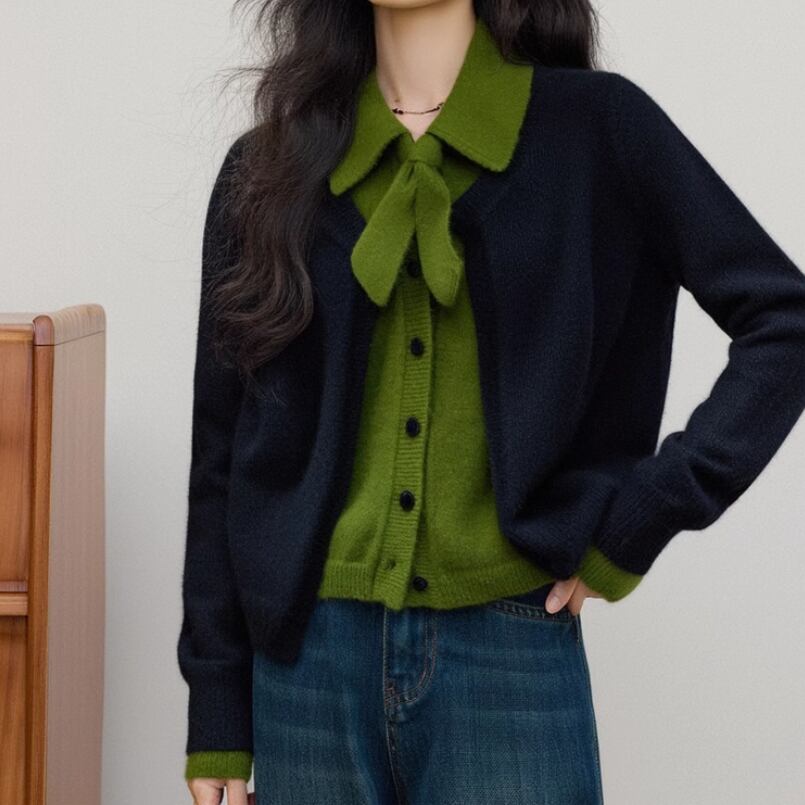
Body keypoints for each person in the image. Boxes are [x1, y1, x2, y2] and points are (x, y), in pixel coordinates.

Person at [178, 1, 805, 803]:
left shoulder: (598, 130)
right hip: (305, 667)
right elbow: (222, 451)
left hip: (509, 651)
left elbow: (782, 322)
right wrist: (217, 708)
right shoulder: (268, 165)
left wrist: (641, 513)